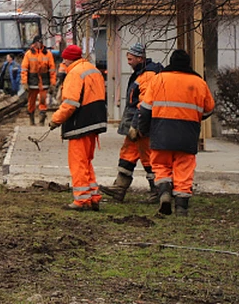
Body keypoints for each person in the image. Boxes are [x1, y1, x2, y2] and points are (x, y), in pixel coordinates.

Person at [136, 49, 215, 216]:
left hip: (161, 131)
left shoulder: (159, 80)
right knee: (184, 169)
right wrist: (194, 116)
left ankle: (164, 192)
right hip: (187, 133)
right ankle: (181, 207)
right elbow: (209, 109)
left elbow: (145, 109)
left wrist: (143, 129)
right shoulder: (199, 82)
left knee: (161, 165)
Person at [99, 43, 163, 203]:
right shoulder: (143, 73)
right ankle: (119, 188)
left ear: (140, 58)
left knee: (148, 157)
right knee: (128, 154)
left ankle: (157, 191)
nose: (128, 61)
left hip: (142, 124)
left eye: (130, 58)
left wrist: (136, 125)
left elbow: (145, 103)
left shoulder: (147, 75)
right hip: (139, 123)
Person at [49, 45, 107, 211]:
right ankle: (93, 196)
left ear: (68, 58)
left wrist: (55, 120)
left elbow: (70, 103)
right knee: (87, 162)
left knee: (78, 163)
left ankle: (81, 200)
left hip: (80, 124)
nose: (63, 62)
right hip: (95, 122)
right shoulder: (92, 69)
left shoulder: (74, 73)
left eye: (64, 59)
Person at [21, 35, 56, 125]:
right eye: (37, 42)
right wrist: (24, 82)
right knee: (31, 101)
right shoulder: (28, 54)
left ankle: (41, 120)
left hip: (44, 81)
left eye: (40, 42)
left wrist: (53, 83)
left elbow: (52, 69)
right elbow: (24, 69)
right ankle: (31, 119)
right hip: (32, 81)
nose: (38, 44)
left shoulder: (48, 54)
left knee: (43, 100)